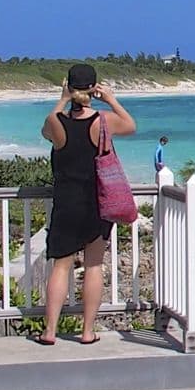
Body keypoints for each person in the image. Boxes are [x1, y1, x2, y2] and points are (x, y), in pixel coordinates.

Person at [35, 63, 137, 345]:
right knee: (93, 266)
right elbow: (130, 126)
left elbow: (46, 128)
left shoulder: (57, 122)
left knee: (61, 267)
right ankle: (88, 331)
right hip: (97, 202)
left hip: (66, 203)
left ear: (68, 85)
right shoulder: (103, 121)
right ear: (94, 88)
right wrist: (111, 99)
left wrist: (63, 99)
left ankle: (50, 331)